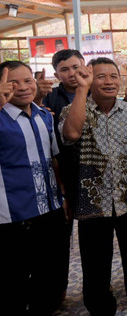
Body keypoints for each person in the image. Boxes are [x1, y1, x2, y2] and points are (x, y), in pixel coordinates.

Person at [59, 58, 127, 316]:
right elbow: (70, 136)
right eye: (101, 76)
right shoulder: (73, 110)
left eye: (114, 76)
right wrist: (82, 90)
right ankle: (100, 306)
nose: (109, 81)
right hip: (92, 201)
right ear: (89, 79)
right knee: (95, 262)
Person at [0, 61, 69, 315]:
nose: (22, 88)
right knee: (12, 281)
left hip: (48, 208)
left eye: (27, 80)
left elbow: (54, 160)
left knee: (47, 274)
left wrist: (62, 195)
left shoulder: (44, 116)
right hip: (10, 215)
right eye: (12, 82)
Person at [35, 49, 85, 306]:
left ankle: (97, 283)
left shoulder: (94, 92)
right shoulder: (49, 97)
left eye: (76, 67)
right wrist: (37, 95)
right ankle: (58, 290)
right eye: (65, 70)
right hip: (59, 176)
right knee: (58, 240)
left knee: (92, 237)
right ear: (56, 74)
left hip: (89, 176)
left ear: (84, 66)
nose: (72, 74)